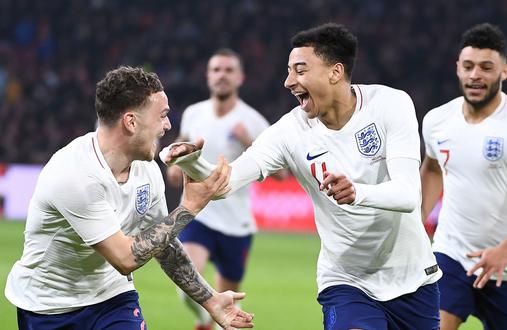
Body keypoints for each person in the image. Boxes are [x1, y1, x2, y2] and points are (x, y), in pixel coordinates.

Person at [162, 23, 442, 329]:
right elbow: (226, 182)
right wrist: (190, 161)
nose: (288, 81)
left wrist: (357, 192)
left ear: (335, 72)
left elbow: (407, 195)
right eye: (288, 70)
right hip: (346, 280)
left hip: (412, 277)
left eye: (300, 70)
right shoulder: (289, 131)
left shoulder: (390, 104)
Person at [4, 66, 254, 330]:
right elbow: (124, 258)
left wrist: (210, 300)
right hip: (50, 307)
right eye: (162, 116)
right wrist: (189, 207)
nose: (167, 126)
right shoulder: (75, 174)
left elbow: (163, 243)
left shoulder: (146, 169)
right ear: (131, 122)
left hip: (112, 297)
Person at [420, 23, 507, 330]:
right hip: (451, 254)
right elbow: (432, 169)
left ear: (504, 72)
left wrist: (504, 251)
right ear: (457, 69)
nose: (476, 75)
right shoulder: (437, 121)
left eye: (487, 67)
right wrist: (414, 224)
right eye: (469, 66)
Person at [166, 48, 284, 330]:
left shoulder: (254, 121)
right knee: (186, 285)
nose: (222, 75)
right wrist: (174, 168)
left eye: (228, 70)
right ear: (208, 76)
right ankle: (205, 319)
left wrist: (249, 143)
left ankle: (216, 323)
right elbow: (178, 154)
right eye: (216, 70)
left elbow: (281, 174)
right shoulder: (194, 114)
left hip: (237, 223)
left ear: (240, 77)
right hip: (199, 215)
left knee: (229, 299)